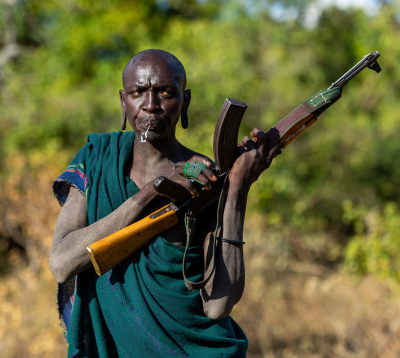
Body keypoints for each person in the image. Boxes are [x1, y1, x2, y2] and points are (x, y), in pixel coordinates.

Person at [50, 49, 280, 357]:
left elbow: (218, 304)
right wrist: (149, 194)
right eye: (138, 93)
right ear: (123, 101)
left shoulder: (206, 179)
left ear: (184, 101)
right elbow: (62, 263)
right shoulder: (96, 159)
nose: (150, 105)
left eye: (165, 93)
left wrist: (237, 185)